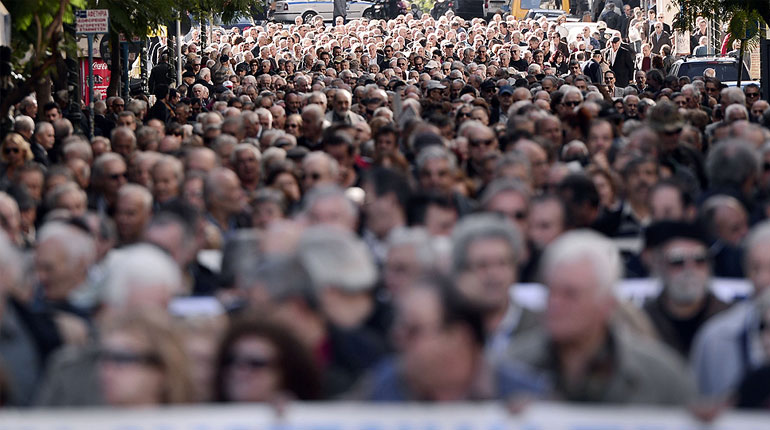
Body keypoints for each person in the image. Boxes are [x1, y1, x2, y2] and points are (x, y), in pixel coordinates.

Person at [505, 230, 696, 404]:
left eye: (570, 294)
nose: (555, 304)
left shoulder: (662, 378)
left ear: (606, 304)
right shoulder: (510, 368)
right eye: (551, 292)